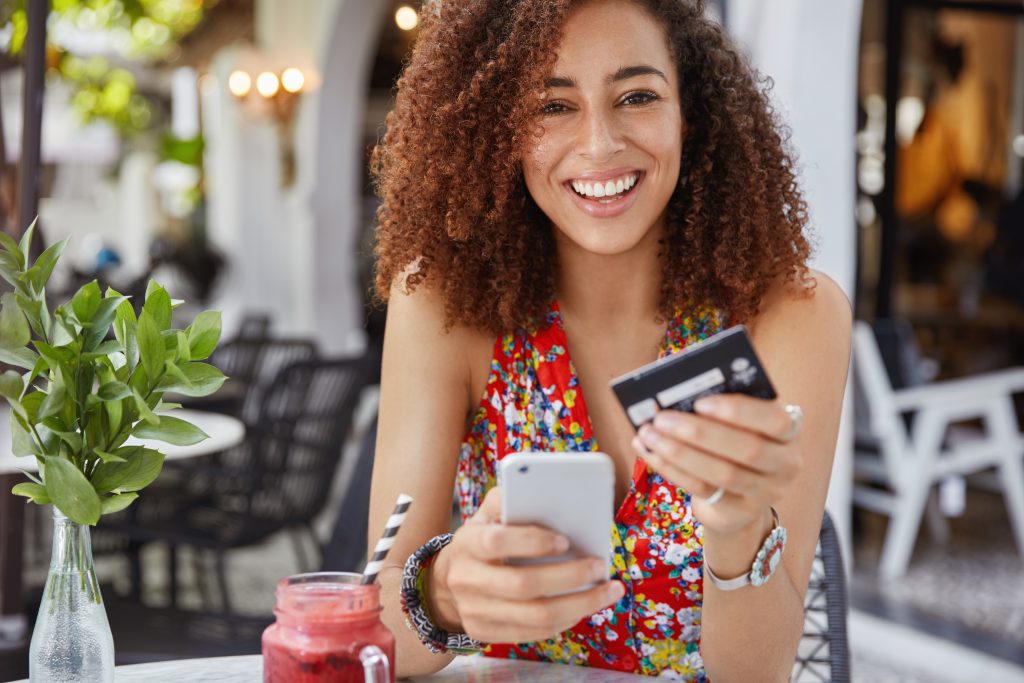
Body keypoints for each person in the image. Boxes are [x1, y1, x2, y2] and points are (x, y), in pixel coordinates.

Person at [367, 0, 851, 680]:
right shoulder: (445, 304)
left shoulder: (792, 314)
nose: (600, 145)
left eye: (637, 95)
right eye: (552, 106)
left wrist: (738, 524)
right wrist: (443, 593)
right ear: (496, 128)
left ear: (693, 112)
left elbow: (758, 673)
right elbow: (378, 633)